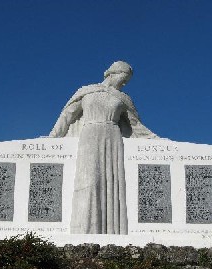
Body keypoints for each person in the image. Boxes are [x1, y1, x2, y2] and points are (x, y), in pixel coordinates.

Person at [50, 61, 159, 234]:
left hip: (113, 137)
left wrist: (155, 140)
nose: (123, 84)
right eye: (123, 79)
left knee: (110, 182)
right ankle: (84, 229)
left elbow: (136, 125)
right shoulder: (86, 91)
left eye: (127, 82)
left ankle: (111, 229)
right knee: (90, 180)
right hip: (90, 136)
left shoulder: (123, 99)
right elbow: (68, 115)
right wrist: (54, 136)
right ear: (113, 73)